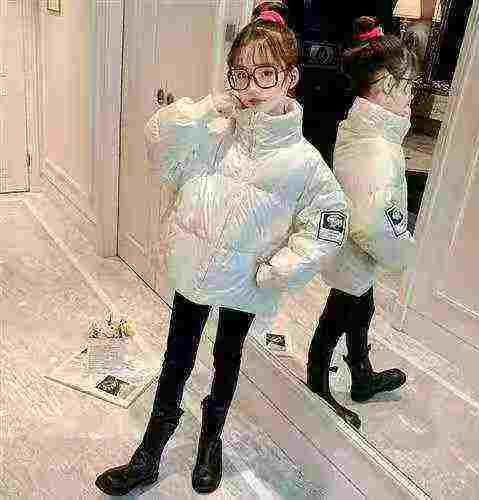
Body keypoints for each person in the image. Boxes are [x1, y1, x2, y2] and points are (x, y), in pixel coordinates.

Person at [95, 4, 349, 496]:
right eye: (241, 74)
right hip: (194, 269)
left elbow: (328, 221)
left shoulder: (304, 162)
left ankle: (211, 440)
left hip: (246, 280)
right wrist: (205, 108)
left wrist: (281, 269)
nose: (252, 86)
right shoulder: (214, 132)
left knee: (227, 359)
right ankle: (150, 450)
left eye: (266, 73)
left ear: (290, 77)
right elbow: (160, 144)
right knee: (176, 358)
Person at [306, 16, 418, 430]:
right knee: (338, 315)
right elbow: (374, 225)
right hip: (356, 252)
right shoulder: (376, 149)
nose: (412, 94)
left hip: (353, 252)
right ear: (385, 86)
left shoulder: (366, 130)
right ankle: (317, 384)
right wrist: (402, 250)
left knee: (360, 308)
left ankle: (361, 374)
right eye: (409, 85)